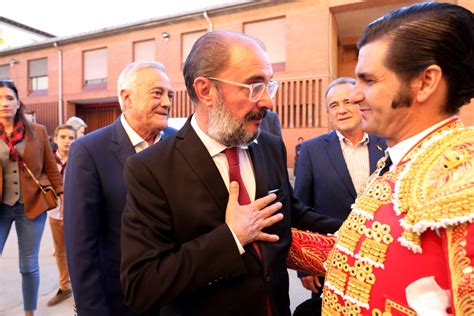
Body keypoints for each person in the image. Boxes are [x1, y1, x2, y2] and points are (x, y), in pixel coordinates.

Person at [120, 30, 342, 316]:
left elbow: (291, 212)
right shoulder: (152, 169)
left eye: (268, 86)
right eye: (253, 86)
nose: (268, 102)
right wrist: (232, 237)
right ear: (205, 90)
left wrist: (362, 230)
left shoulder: (269, 146)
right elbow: (142, 285)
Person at [321, 3, 473, 315]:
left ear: (425, 82)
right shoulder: (401, 161)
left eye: (369, 80)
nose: (354, 95)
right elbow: (361, 256)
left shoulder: (462, 180)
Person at [64, 61, 176, 315]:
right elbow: (81, 245)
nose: (167, 102)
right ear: (127, 97)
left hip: (176, 297)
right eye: (157, 93)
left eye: (169, 94)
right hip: (120, 301)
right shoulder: (89, 151)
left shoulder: (177, 141)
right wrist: (92, 310)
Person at [294, 77, 386, 314]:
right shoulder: (311, 150)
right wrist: (305, 266)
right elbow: (301, 209)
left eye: (347, 102)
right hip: (331, 261)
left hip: (383, 259)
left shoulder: (386, 144)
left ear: (360, 103)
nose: (342, 110)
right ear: (328, 113)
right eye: (334, 105)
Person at [0, 80, 63, 316]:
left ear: (18, 102)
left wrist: (62, 196)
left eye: (9, 98)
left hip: (32, 205)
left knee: (28, 264)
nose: (4, 103)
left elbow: (51, 168)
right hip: (1, 207)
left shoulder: (37, 131)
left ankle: (29, 312)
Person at [46, 124, 76, 306]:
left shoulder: (79, 159)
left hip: (76, 214)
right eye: (63, 137)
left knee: (78, 251)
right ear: (55, 139)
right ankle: (65, 286)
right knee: (60, 252)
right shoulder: (49, 161)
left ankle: (81, 287)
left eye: (71, 138)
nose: (67, 141)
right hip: (55, 213)